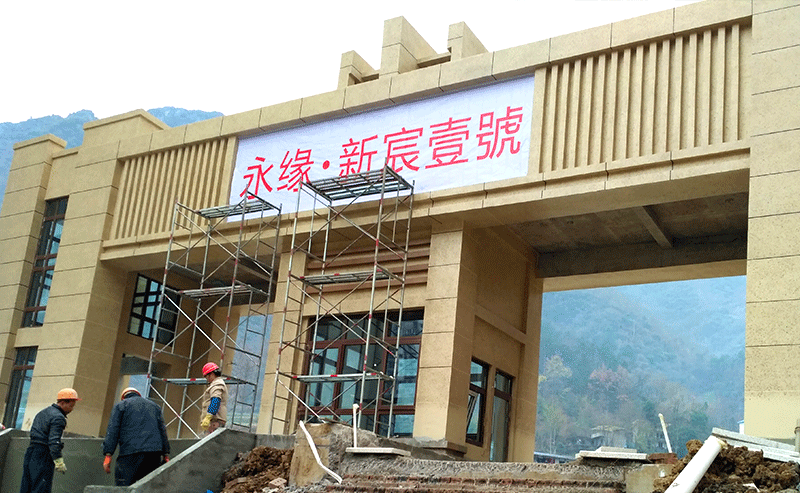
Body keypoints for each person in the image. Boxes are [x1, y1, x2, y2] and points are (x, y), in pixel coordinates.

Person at [102, 387, 170, 486]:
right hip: (153, 454)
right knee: (149, 487)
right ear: (138, 394)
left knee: (125, 486)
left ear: (123, 397)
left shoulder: (121, 405)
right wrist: (166, 454)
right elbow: (162, 431)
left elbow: (113, 431)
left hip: (130, 453)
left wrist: (108, 455)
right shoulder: (155, 406)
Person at [19, 388, 79, 493]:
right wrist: (58, 460)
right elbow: (54, 441)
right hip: (44, 455)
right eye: (71, 406)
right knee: (41, 488)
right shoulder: (59, 418)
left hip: (31, 452)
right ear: (63, 403)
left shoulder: (42, 412)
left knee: (27, 486)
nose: (72, 409)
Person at [200, 362, 227, 434]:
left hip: (214, 421)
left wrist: (208, 417)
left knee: (211, 440)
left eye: (207, 377)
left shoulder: (217, 384)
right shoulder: (217, 384)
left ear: (211, 374)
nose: (207, 379)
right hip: (215, 420)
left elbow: (215, 401)